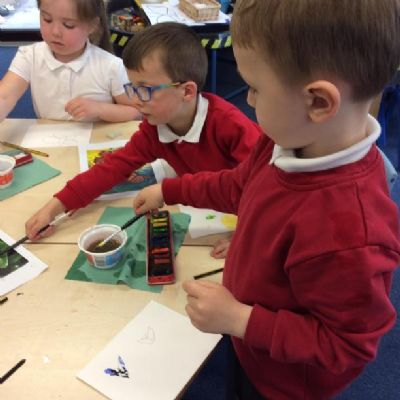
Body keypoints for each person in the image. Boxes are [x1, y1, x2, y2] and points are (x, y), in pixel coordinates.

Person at [131, 1, 400, 399]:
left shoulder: (351, 233)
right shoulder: (285, 140)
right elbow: (239, 186)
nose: (250, 101)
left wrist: (240, 319)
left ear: (318, 102)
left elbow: (345, 346)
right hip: (251, 332)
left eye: (254, 88)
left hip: (285, 381)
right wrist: (171, 190)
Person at [25, 22, 262, 257]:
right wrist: (54, 207)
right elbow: (112, 167)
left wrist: (245, 236)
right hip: (201, 206)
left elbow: (263, 189)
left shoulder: (231, 126)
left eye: (145, 90)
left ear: (187, 91)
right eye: (132, 87)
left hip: (245, 216)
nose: (136, 100)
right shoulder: (155, 127)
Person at [0, 0, 141, 122]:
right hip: (49, 140)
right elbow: (4, 97)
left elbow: (137, 111)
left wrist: (100, 109)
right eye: (47, 19)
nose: (55, 32)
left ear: (92, 25)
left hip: (96, 141)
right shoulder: (29, 56)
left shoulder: (111, 66)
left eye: (68, 25)